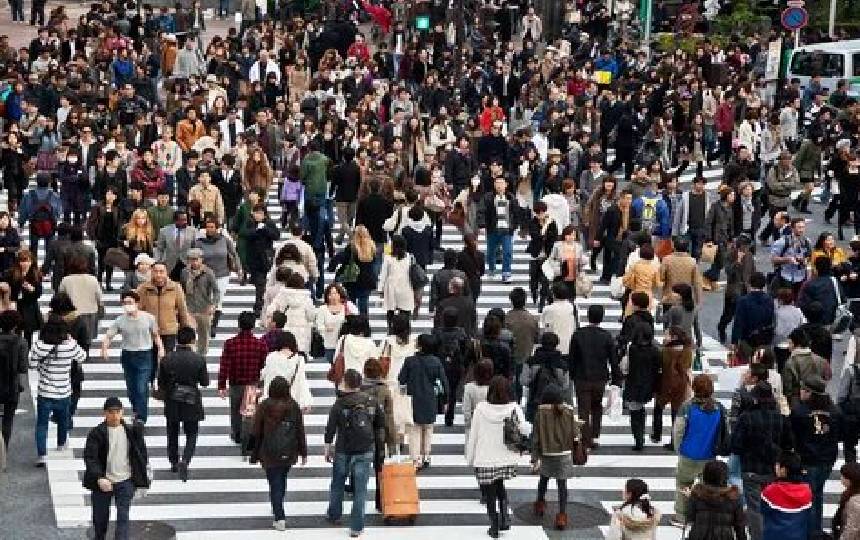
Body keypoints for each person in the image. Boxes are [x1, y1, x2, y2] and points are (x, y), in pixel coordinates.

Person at [465, 375, 530, 538]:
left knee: (490, 493)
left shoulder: (480, 409)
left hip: (485, 457)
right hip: (505, 457)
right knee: (500, 486)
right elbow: (525, 430)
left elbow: (473, 436)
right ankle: (504, 518)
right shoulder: (514, 407)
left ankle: (494, 526)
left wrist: (470, 458)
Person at [324, 369, 386, 538]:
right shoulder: (371, 402)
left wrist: (328, 445)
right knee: (360, 489)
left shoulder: (339, 403)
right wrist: (379, 448)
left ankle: (334, 514)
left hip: (343, 448)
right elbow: (381, 425)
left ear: (346, 383)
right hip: (365, 449)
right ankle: (356, 526)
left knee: (338, 482)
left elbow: (331, 427)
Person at [731, 381, 794, 540]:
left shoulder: (746, 418)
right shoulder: (781, 418)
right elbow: (789, 444)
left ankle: (758, 537)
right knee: (773, 505)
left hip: (751, 468)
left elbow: (736, 445)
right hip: (774, 470)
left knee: (754, 508)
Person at [83, 397, 150, 540]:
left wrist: (142, 479)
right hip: (103, 481)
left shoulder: (131, 432)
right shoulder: (96, 433)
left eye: (117, 412)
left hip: (125, 481)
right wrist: (99, 477)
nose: (114, 416)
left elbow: (141, 455)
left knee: (123, 518)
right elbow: (90, 458)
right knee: (100, 520)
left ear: (122, 412)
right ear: (105, 413)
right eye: (111, 412)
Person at [250, 375, 308, 532]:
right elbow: (300, 430)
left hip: (268, 450)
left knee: (273, 481)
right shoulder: (293, 406)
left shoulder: (265, 406)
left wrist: (252, 450)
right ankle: (278, 505)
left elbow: (256, 430)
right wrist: (304, 452)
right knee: (281, 479)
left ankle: (279, 515)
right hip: (289, 450)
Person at [672, 374, 730, 526]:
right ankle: (704, 516)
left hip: (688, 454)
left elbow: (678, 431)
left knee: (683, 483)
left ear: (694, 388)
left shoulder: (687, 407)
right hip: (710, 455)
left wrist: (679, 449)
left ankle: (682, 516)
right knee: (709, 487)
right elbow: (725, 430)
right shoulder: (719, 408)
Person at [790, 374, 843, 536]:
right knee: (818, 493)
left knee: (808, 496)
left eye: (803, 390)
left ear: (810, 392)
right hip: (827, 459)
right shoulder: (835, 411)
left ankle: (810, 532)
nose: (800, 392)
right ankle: (816, 529)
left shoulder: (799, 411)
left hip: (807, 459)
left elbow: (793, 436)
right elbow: (839, 435)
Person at [101, 291, 164, 424]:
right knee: (131, 388)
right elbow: (109, 335)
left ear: (137, 303)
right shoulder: (120, 320)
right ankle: (137, 409)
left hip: (145, 354)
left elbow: (155, 334)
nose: (127, 305)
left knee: (141, 386)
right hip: (128, 355)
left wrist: (160, 348)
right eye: (125, 303)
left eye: (130, 302)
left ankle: (141, 417)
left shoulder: (148, 318)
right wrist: (104, 349)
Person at [157, 326, 209, 482]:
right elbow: (205, 382)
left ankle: (173, 461)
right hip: (191, 399)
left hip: (172, 398)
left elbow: (161, 382)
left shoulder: (167, 359)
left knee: (172, 431)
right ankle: (185, 460)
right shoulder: (199, 359)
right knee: (192, 432)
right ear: (192, 340)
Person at [530, 384, 581, 531]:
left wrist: (534, 456)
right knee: (562, 486)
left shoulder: (540, 413)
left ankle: (540, 504)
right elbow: (575, 432)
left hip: (547, 453)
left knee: (543, 480)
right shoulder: (568, 411)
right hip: (564, 454)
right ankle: (562, 516)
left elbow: (536, 437)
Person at [568, 305, 620, 447]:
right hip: (600, 377)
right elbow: (613, 360)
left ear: (588, 315)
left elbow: (572, 358)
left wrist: (572, 374)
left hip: (582, 376)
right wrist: (616, 379)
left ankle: (585, 439)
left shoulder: (578, 334)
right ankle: (595, 434)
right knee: (597, 405)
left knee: (583, 408)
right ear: (601, 317)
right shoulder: (606, 336)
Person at [217, 311, 269, 445]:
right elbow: (264, 365)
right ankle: (250, 435)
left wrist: (222, 385)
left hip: (235, 383)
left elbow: (224, 366)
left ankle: (237, 434)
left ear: (239, 325)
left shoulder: (230, 344)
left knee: (235, 411)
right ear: (253, 326)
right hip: (252, 383)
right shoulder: (260, 344)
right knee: (250, 412)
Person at [398, 333, 448, 469]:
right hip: (430, 398)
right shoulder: (436, 361)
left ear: (419, 346)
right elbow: (443, 382)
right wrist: (445, 400)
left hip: (414, 398)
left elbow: (401, 380)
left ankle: (416, 459)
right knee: (428, 428)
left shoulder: (410, 361)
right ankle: (426, 455)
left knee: (414, 429)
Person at [623, 314, 660, 452]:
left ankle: (638, 438)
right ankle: (641, 434)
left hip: (633, 384)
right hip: (648, 384)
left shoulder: (631, 349)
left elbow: (625, 366)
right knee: (640, 409)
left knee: (634, 412)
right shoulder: (655, 351)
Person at [685, 460, 748, 540]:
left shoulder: (697, 494)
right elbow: (739, 526)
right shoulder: (733, 497)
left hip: (699, 535)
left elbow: (690, 517)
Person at [653, 326, 693, 451]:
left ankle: (657, 434)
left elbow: (661, 366)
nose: (665, 337)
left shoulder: (665, 351)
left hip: (665, 383)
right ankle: (674, 440)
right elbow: (687, 368)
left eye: (667, 335)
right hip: (681, 385)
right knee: (676, 414)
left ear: (674, 337)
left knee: (658, 408)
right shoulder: (687, 351)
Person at [761, 451, 813, 540]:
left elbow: (763, 511)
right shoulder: (807, 491)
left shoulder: (770, 491)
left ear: (783, 469)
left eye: (777, 465)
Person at [179, 248, 219, 356]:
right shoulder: (184, 272)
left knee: (204, 336)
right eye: (192, 260)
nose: (194, 262)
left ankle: (202, 357)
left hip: (204, 308)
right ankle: (190, 356)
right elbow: (181, 289)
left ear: (201, 260)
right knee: (188, 335)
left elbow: (216, 291)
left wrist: (213, 305)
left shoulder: (208, 272)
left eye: (197, 259)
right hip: (189, 308)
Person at [259, 330, 313, 410]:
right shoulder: (299, 360)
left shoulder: (271, 357)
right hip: (291, 400)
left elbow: (263, 375)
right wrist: (306, 401)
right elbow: (301, 381)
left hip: (272, 400)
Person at [433, 308, 468, 427]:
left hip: (440, 364)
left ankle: (439, 408)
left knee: (438, 387)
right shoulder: (461, 333)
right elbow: (464, 350)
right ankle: (450, 416)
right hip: (455, 365)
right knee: (452, 391)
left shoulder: (437, 332)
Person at [243, 204, 280, 316]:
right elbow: (245, 234)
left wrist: (265, 229)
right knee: (257, 281)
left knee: (260, 282)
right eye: (256, 213)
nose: (258, 215)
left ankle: (259, 304)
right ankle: (259, 302)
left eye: (261, 213)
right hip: (252, 257)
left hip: (264, 257)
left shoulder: (269, 223)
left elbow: (276, 235)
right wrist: (256, 230)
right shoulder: (249, 223)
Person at [3, 249, 44, 346]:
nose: (25, 264)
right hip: (15, 305)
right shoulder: (11, 273)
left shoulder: (35, 274)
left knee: (28, 333)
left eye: (27, 261)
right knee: (15, 332)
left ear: (31, 261)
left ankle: (26, 353)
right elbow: (7, 287)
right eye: (22, 261)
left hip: (29, 306)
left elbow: (39, 293)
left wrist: (32, 289)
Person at [782, 328, 830, 407]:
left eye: (790, 343)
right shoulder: (821, 360)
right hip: (819, 402)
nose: (788, 347)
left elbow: (788, 389)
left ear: (797, 345)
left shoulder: (790, 363)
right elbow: (827, 377)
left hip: (799, 404)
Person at [0, 311, 26, 451]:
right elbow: (22, 367)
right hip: (11, 386)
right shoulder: (21, 342)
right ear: (16, 325)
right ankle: (3, 453)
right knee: (7, 421)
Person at [378, 234, 415, 326]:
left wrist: (380, 289)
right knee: (405, 311)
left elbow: (383, 274)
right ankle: (405, 331)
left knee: (390, 311)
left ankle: (391, 330)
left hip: (391, 287)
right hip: (406, 286)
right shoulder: (410, 257)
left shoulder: (388, 257)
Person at [314, 284, 355, 363]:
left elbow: (357, 321)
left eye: (335, 293)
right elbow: (319, 325)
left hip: (346, 343)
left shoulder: (348, 306)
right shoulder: (323, 309)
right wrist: (325, 328)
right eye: (330, 294)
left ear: (340, 294)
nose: (333, 296)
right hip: (329, 343)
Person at [463, 359, 493, 446]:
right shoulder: (492, 387)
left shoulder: (469, 388)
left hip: (473, 423)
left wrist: (468, 424)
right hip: (489, 423)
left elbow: (466, 410)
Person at [832, 462, 860, 539]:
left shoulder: (855, 502)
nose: (841, 478)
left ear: (851, 480)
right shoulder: (851, 493)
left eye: (843, 476)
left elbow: (852, 529)